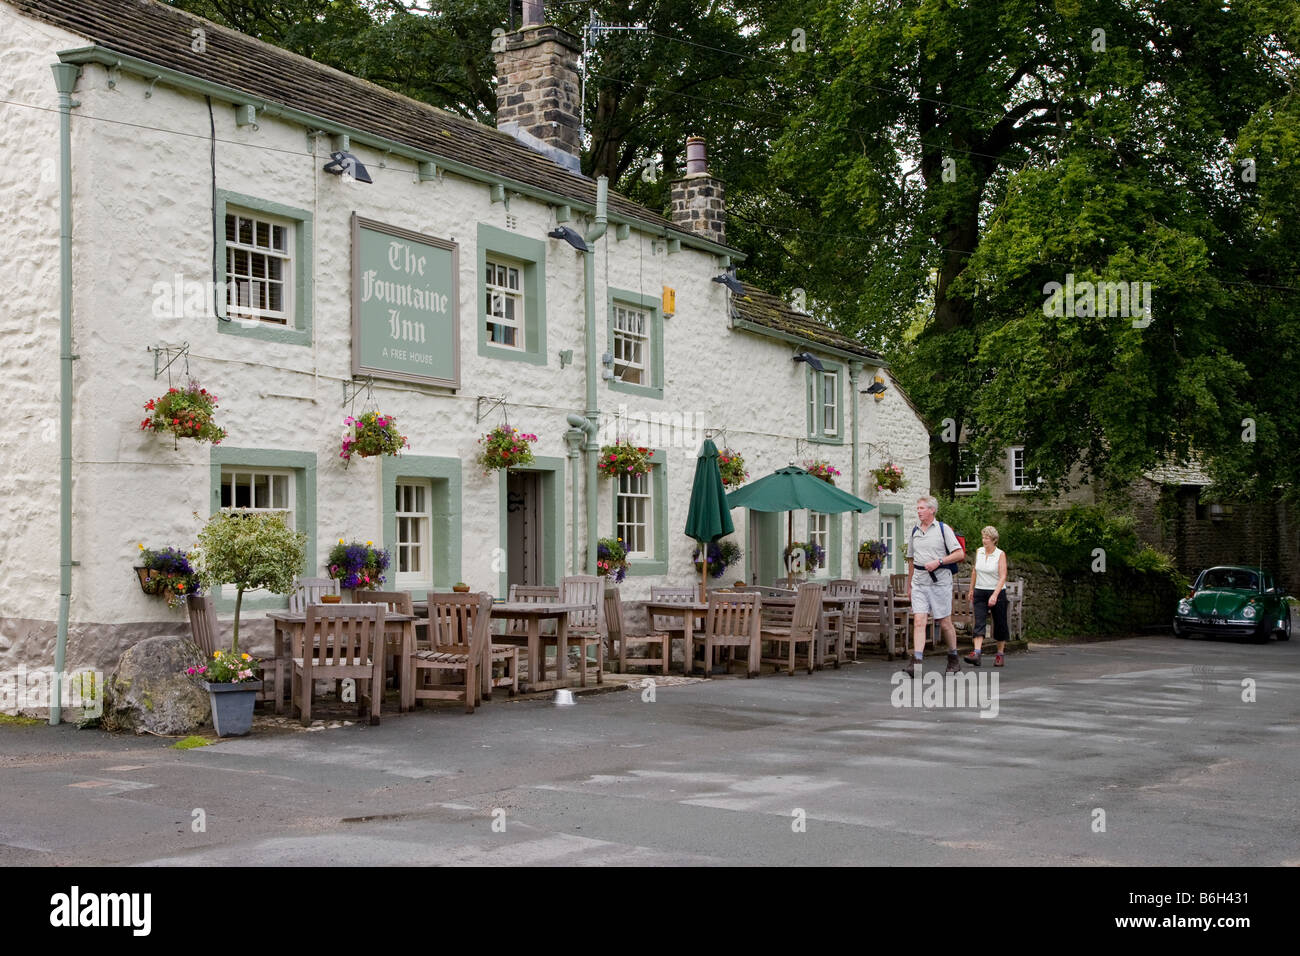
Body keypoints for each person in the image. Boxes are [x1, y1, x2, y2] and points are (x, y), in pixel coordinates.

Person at [903, 495, 965, 676]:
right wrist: (909, 585)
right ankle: (917, 662)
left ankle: (953, 658)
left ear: (932, 510)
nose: (918, 511)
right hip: (919, 582)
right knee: (919, 621)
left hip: (940, 582)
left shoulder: (943, 529)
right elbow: (912, 560)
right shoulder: (915, 530)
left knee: (944, 622)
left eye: (922, 508)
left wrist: (939, 561)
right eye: (918, 508)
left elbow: (959, 554)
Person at [964, 526, 1009, 667]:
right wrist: (971, 589)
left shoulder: (1000, 554)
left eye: (987, 538)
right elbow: (974, 571)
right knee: (979, 621)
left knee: (1000, 623)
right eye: (983, 537)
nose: (984, 540)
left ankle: (1000, 654)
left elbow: (1003, 576)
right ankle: (977, 653)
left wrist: (995, 595)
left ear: (994, 540)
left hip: (997, 592)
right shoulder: (979, 551)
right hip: (980, 591)